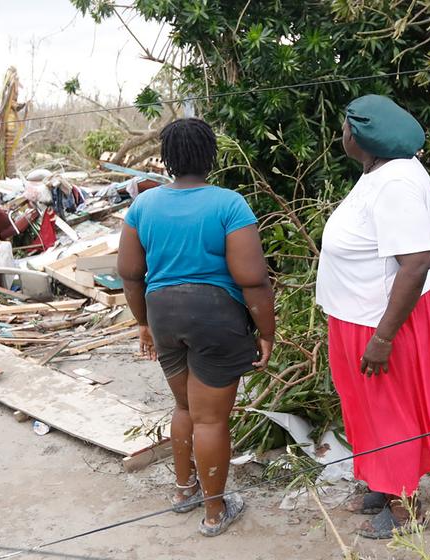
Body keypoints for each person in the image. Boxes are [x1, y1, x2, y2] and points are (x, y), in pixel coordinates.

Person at [315, 94, 430, 539]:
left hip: (385, 319)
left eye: (346, 127)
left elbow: (416, 263)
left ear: (360, 137)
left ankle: (406, 507)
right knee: (367, 407)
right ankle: (384, 485)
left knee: (391, 410)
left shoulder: (397, 182)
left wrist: (384, 338)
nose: (342, 134)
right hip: (360, 313)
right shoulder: (377, 171)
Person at [117, 118, 277, 537]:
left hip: (163, 313)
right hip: (215, 317)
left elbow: (130, 274)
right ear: (210, 157)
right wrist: (266, 331)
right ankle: (214, 511)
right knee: (210, 420)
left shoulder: (143, 207)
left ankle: (183, 491)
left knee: (185, 407)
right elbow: (252, 278)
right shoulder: (229, 204)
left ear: (166, 158)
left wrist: (143, 323)